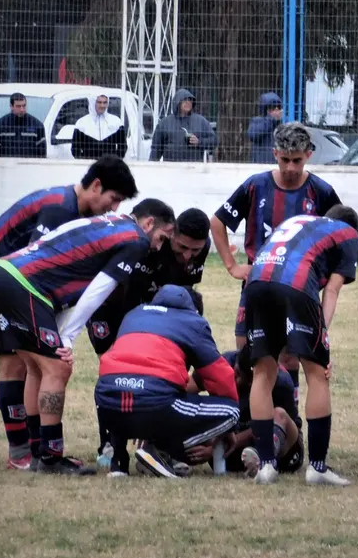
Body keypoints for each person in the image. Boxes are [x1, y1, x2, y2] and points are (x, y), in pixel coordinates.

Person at [0, 156, 138, 470]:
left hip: (1, 277)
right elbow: (33, 264)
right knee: (16, 363)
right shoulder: (60, 208)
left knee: (31, 362)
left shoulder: (72, 206)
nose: (114, 210)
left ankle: (32, 449)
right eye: (113, 199)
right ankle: (22, 454)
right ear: (96, 186)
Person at [0, 207, 175, 474]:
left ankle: (38, 452)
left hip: (3, 271)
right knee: (57, 367)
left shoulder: (109, 222)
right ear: (149, 223)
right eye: (163, 238)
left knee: (34, 365)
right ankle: (51, 458)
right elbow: (99, 289)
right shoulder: (136, 239)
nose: (158, 247)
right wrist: (68, 336)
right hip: (25, 283)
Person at [210, 122, 341, 398]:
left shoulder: (321, 191)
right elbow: (217, 222)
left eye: (296, 160)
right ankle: (250, 423)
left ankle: (287, 418)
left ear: (308, 155)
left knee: (290, 356)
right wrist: (232, 266)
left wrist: (323, 276)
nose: (291, 168)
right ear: (274, 154)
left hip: (298, 289)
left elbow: (339, 236)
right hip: (257, 285)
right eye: (284, 160)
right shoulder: (255, 186)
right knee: (248, 353)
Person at [243, 206, 358, 486]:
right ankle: (318, 468)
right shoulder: (348, 234)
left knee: (263, 373)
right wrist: (321, 338)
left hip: (256, 283)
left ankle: (267, 466)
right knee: (316, 373)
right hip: (294, 284)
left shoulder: (296, 221)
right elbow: (331, 289)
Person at [87, 204, 211, 465]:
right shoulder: (149, 244)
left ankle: (160, 438)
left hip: (157, 306)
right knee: (115, 371)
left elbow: (186, 294)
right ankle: (109, 443)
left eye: (195, 251)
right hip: (114, 308)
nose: (189, 256)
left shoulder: (200, 248)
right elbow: (127, 298)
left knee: (175, 362)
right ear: (172, 234)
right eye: (182, 248)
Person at [94, 286, 241, 479]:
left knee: (121, 392)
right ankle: (160, 451)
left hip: (106, 401)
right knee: (231, 411)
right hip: (153, 400)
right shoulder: (193, 322)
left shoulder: (133, 315)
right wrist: (226, 426)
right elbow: (221, 377)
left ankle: (118, 464)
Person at [184, 346, 303, 477]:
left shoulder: (280, 382)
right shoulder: (224, 363)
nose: (236, 380)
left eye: (242, 378)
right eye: (236, 373)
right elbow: (188, 387)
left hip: (282, 450)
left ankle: (265, 461)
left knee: (278, 414)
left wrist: (216, 448)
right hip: (231, 449)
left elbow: (278, 425)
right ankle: (172, 456)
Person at [149, 88, 218, 162]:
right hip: (171, 169)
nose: (188, 102)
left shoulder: (200, 121)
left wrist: (199, 142)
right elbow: (156, 149)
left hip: (194, 169)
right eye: (185, 100)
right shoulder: (165, 123)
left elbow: (214, 140)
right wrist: (151, 168)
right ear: (178, 102)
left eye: (190, 100)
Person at [0, 92, 47, 158]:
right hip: (6, 166)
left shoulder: (37, 126)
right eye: (18, 106)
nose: (22, 109)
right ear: (11, 106)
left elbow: (42, 154)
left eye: (24, 106)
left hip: (30, 166)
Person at [71, 94, 127, 159]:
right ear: (93, 103)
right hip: (88, 165)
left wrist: (115, 161)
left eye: (105, 102)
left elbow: (123, 147)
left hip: (110, 165)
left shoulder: (116, 122)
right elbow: (75, 149)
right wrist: (84, 162)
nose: (102, 105)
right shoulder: (81, 123)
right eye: (99, 102)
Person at [247, 92, 283, 163]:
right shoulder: (257, 121)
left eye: (278, 107)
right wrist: (271, 119)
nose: (276, 110)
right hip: (261, 164)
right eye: (273, 107)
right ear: (265, 109)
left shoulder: (282, 125)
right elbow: (253, 135)